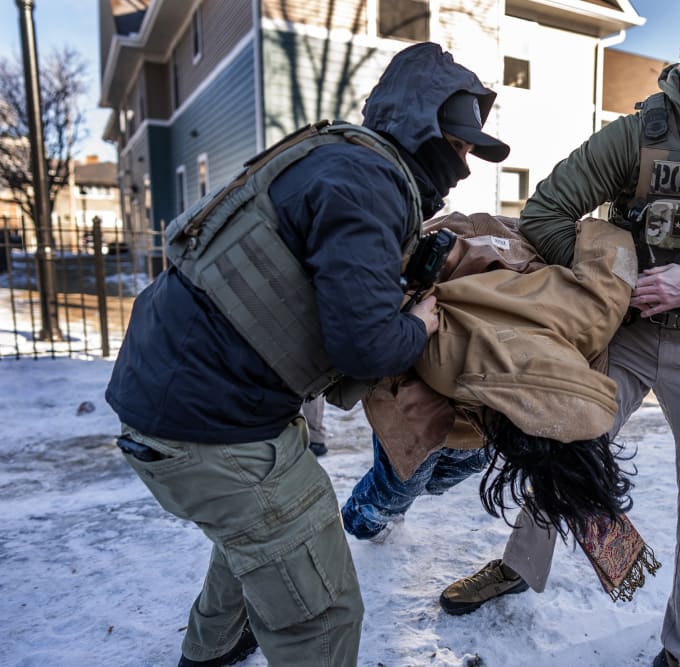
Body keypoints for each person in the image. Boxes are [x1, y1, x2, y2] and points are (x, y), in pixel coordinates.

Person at [439, 1, 680, 665]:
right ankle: (519, 565)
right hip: (628, 332)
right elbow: (546, 214)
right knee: (564, 444)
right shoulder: (637, 135)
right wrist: (610, 281)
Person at [104, 42, 509, 667]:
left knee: (256, 538)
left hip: (170, 397)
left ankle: (213, 649)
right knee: (323, 611)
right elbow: (366, 346)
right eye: (458, 145)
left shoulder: (339, 159)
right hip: (214, 427)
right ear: (423, 129)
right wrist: (422, 322)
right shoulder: (368, 184)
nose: (464, 163)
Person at [342, 211, 636, 545]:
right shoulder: (449, 357)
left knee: (449, 472)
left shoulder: (592, 315)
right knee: (402, 482)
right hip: (446, 278)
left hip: (480, 408)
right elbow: (382, 328)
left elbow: (614, 251)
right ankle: (361, 521)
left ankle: (420, 480)